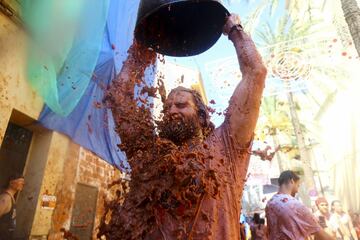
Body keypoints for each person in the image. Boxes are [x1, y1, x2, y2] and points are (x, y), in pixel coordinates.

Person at [102, 13, 267, 240]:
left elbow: (255, 73)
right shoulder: (149, 154)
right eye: (167, 106)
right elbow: (120, 94)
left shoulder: (226, 147)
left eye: (180, 105)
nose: (171, 111)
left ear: (201, 116)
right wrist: (145, 45)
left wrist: (234, 30)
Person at [265, 170, 334, 240]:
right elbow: (323, 236)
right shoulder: (294, 205)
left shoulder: (270, 204)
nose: (297, 191)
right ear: (292, 181)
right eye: (297, 186)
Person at [0, 173, 25, 240]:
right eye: (20, 182)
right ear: (11, 183)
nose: (23, 184)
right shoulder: (5, 198)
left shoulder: (12, 198)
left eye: (23, 182)